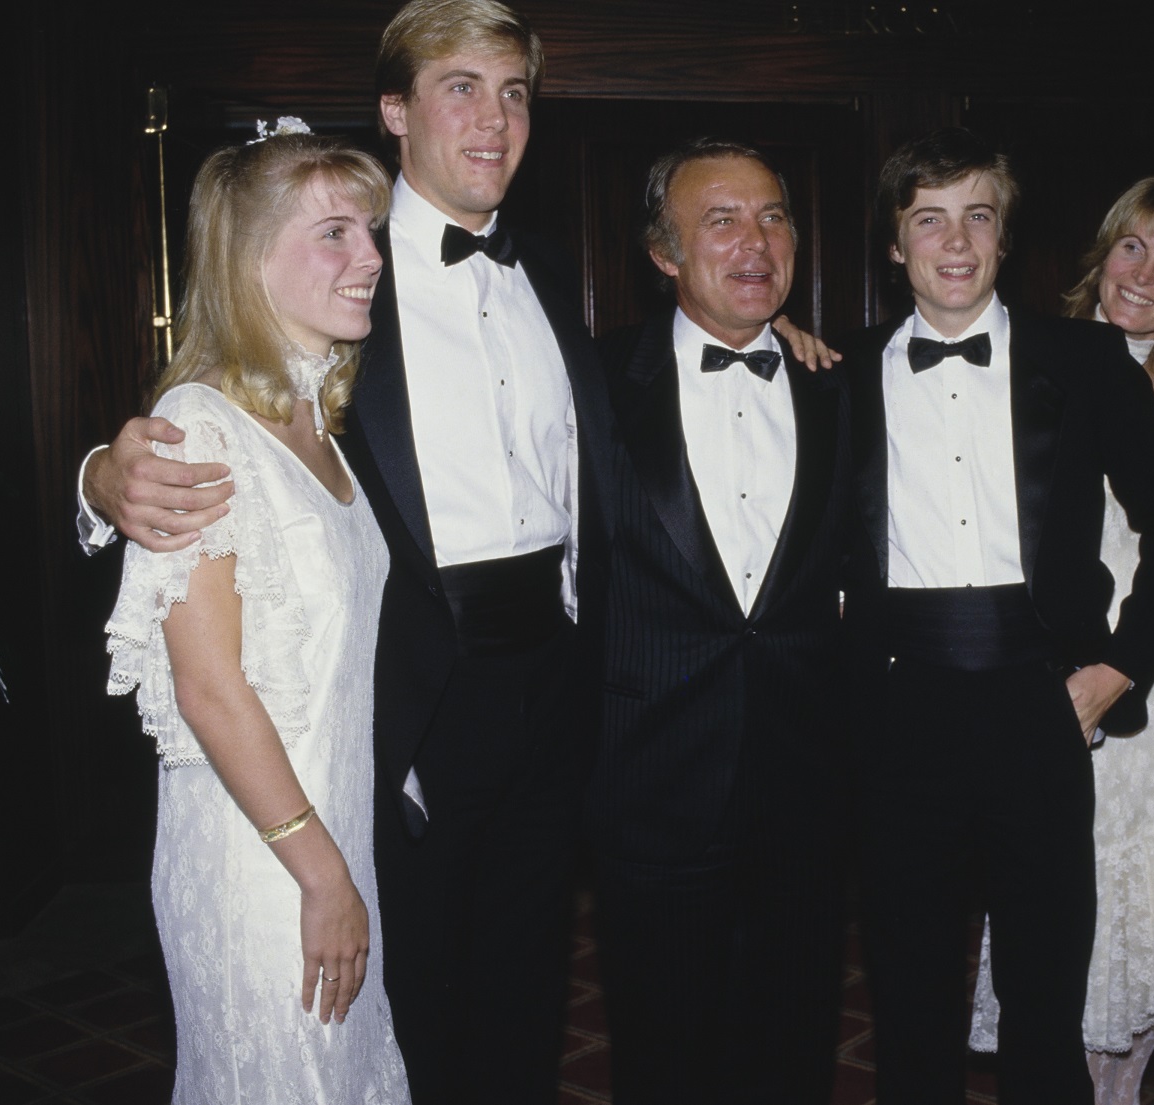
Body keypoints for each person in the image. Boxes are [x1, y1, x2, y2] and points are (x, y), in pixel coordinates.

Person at [82, 4, 613, 1101]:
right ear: (394, 112)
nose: (493, 118)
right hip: (410, 716)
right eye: (460, 87)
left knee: (523, 1002)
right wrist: (100, 470)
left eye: (514, 92)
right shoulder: (338, 307)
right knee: (398, 1015)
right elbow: (199, 431)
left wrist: (792, 352)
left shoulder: (549, 275)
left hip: (551, 691)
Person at [842, 129, 1154, 1105]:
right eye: (930, 218)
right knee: (910, 1002)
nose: (955, 241)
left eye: (978, 216)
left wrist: (1120, 668)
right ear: (894, 243)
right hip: (899, 709)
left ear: (1004, 238)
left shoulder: (1084, 360)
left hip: (1039, 705)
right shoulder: (834, 378)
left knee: (1045, 1001)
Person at [104, 127, 409, 1104]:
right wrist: (321, 877)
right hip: (263, 858)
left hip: (329, 834)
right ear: (249, 258)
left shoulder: (315, 415)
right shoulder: (201, 422)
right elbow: (208, 686)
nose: (369, 256)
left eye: (371, 230)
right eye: (334, 233)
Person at [967, 176, 1154, 1105]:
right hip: (1051, 664)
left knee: (1152, 948)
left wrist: (1120, 671)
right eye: (1132, 247)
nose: (1143, 275)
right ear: (1100, 250)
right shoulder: (1031, 352)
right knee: (1068, 931)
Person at [584, 137, 850, 1105]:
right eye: (721, 220)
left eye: (774, 216)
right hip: (651, 777)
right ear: (664, 253)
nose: (756, 242)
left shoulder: (837, 385)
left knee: (796, 1042)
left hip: (806, 782)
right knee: (662, 1053)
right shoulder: (589, 383)